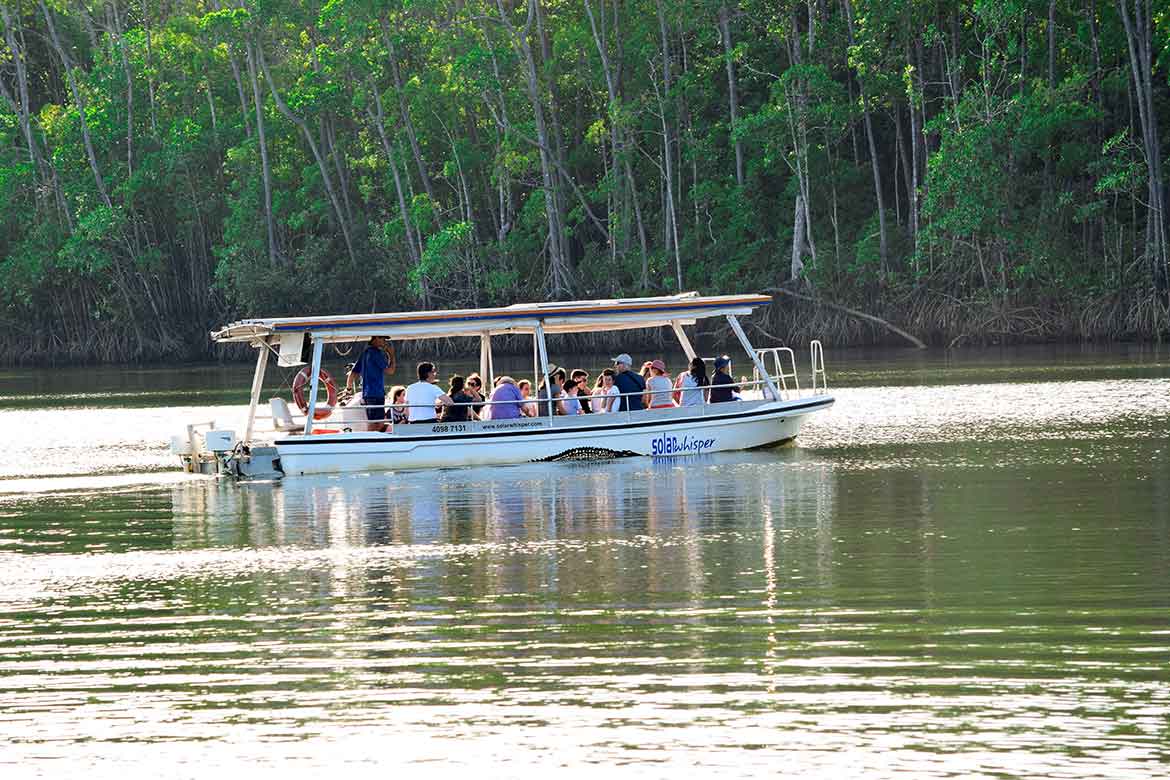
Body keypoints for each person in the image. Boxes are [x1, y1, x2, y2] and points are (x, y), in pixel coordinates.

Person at [345, 335, 396, 427]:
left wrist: (348, 389)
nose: (385, 342)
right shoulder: (376, 353)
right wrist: (391, 354)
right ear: (376, 338)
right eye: (383, 339)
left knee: (373, 422)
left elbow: (353, 374)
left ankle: (373, 439)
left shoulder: (365, 353)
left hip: (367, 395)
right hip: (376, 394)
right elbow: (390, 370)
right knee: (378, 423)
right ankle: (373, 440)